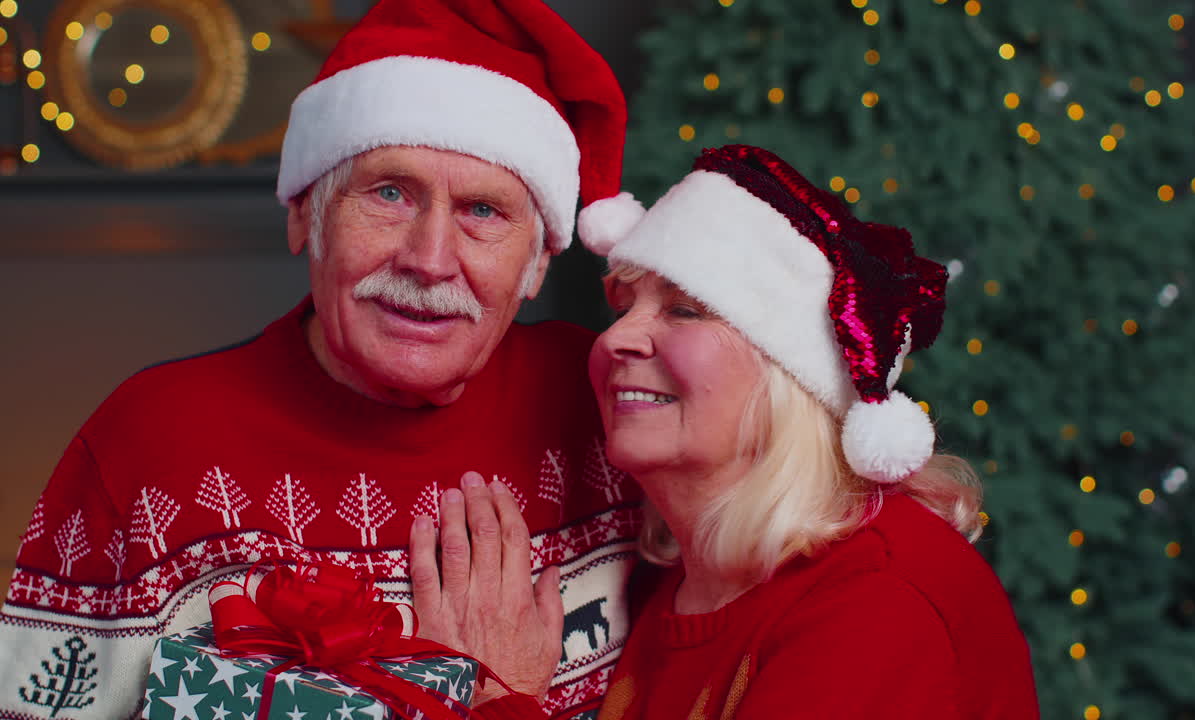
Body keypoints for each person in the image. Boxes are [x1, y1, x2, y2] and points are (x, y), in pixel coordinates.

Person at [0, 1, 649, 717]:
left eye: (483, 211)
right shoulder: (150, 445)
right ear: (303, 213)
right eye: (389, 193)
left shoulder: (615, 406)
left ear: (538, 261)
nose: (430, 259)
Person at [410, 145, 1040, 718]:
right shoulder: (684, 579)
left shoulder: (879, 604)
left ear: (791, 376)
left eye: (684, 310)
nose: (616, 338)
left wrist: (496, 698)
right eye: (624, 308)